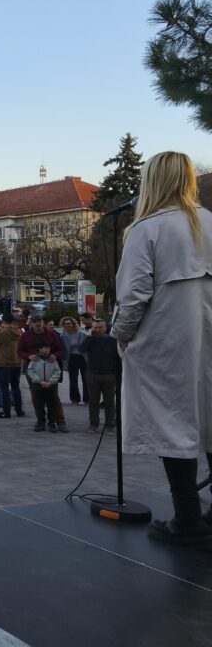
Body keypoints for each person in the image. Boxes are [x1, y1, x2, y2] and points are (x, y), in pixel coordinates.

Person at [111, 151, 212, 545]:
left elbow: (134, 294)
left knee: (174, 423)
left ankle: (187, 518)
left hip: (168, 344)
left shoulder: (147, 229)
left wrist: (122, 335)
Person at [17, 315, 67, 432]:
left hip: (50, 369)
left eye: (39, 321)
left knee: (54, 397)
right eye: (34, 322)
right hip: (33, 369)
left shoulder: (52, 334)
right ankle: (40, 421)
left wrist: (55, 355)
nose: (37, 324)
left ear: (43, 322)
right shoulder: (25, 336)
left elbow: (61, 350)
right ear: (31, 324)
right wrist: (29, 356)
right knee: (36, 397)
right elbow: (19, 351)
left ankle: (59, 421)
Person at [80, 319, 117, 434]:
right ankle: (93, 424)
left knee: (109, 402)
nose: (97, 330)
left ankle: (110, 425)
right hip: (92, 374)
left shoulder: (112, 340)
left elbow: (117, 357)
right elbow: (82, 349)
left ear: (105, 328)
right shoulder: (90, 339)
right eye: (95, 327)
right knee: (93, 401)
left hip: (109, 375)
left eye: (100, 327)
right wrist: (90, 336)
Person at [0, 315, 25, 418]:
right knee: (16, 387)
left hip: (4, 362)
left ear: (4, 321)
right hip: (17, 362)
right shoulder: (19, 331)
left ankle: (7, 411)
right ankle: (19, 410)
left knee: (4, 387)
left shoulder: (3, 332)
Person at [27, 344, 62, 433]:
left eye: (49, 347)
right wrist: (39, 381)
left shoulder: (52, 359)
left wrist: (50, 382)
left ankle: (52, 423)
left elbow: (57, 371)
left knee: (51, 405)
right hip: (38, 385)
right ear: (39, 349)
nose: (48, 349)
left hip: (51, 385)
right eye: (45, 347)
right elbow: (30, 371)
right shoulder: (35, 359)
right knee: (39, 405)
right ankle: (40, 422)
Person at [60, 317, 89, 406]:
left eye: (69, 323)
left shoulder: (82, 333)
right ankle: (75, 399)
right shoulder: (62, 336)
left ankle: (87, 399)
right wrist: (64, 360)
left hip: (83, 358)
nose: (67, 325)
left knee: (86, 379)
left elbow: (88, 345)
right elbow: (63, 349)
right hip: (71, 358)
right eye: (65, 324)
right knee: (73, 380)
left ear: (73, 324)